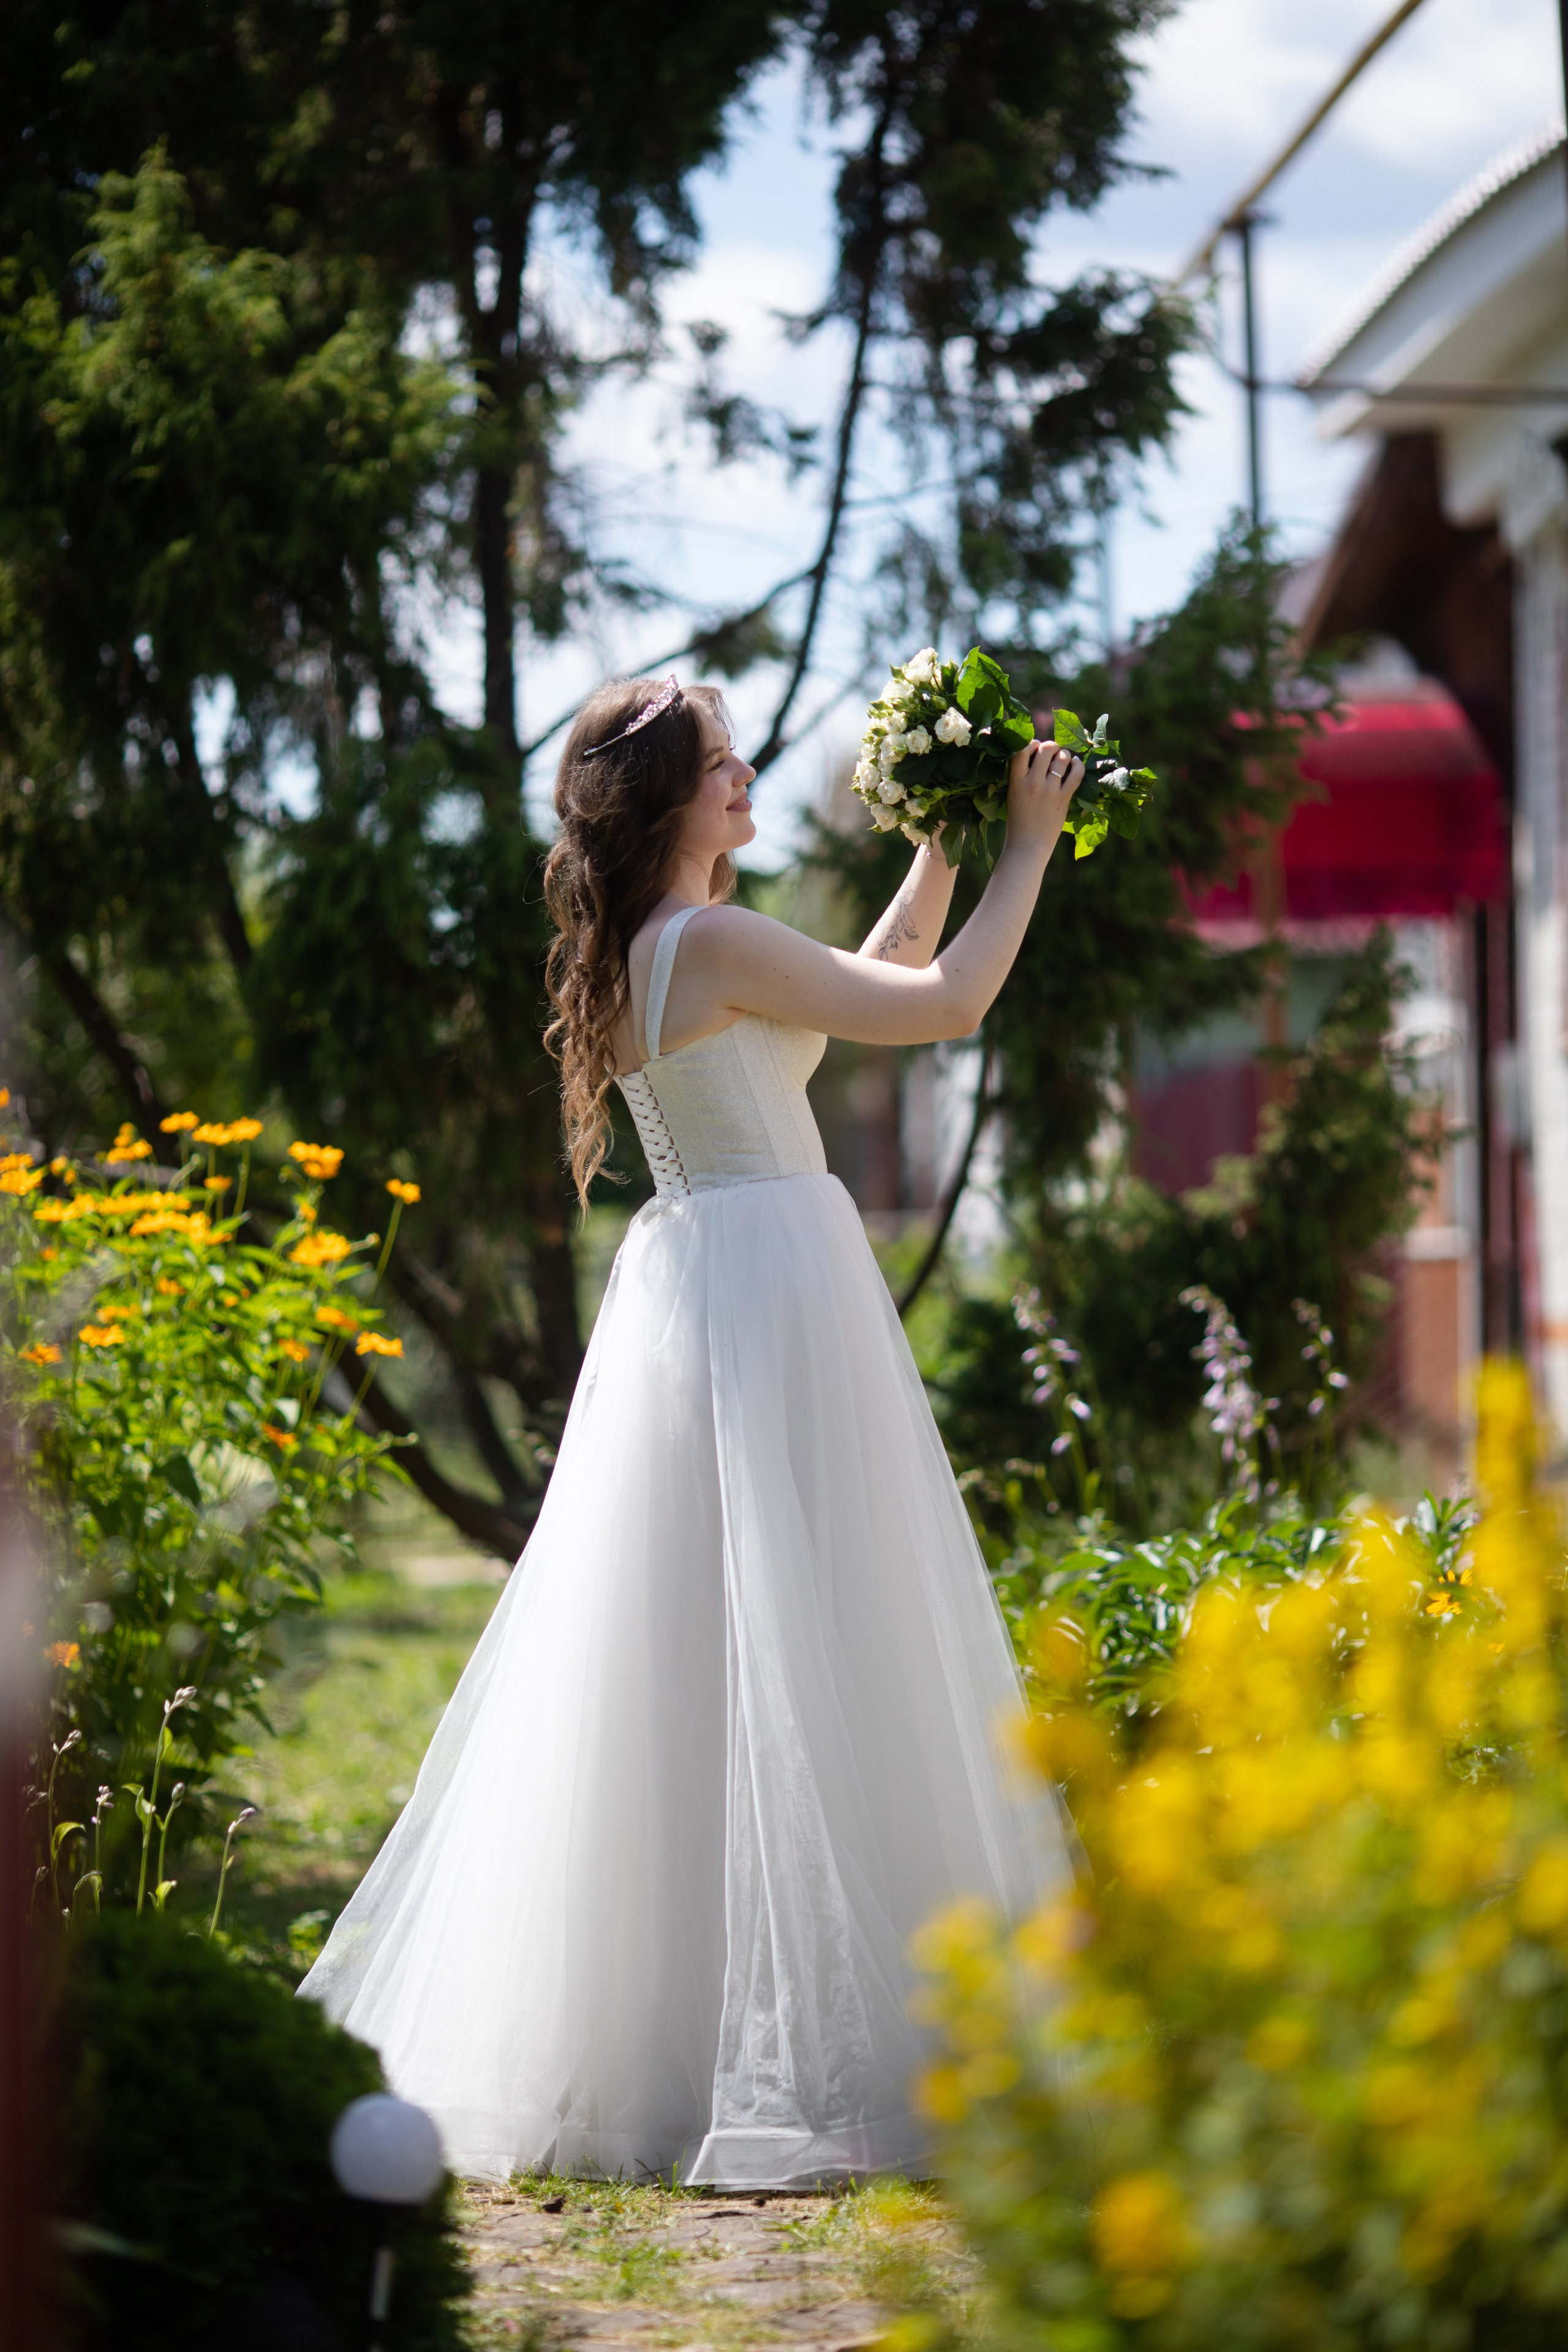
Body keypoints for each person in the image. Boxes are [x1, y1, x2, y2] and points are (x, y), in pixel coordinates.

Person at [300, 674, 1083, 2188]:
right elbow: (943, 1008)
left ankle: (685, 2034)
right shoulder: (710, 939)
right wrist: (1024, 845)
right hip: (769, 1288)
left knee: (729, 1653)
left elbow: (860, 981)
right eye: (720, 767)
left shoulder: (661, 951)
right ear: (661, 803)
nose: (744, 783)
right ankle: (823, 2045)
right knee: (803, 1635)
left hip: (711, 1282)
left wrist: (930, 840)